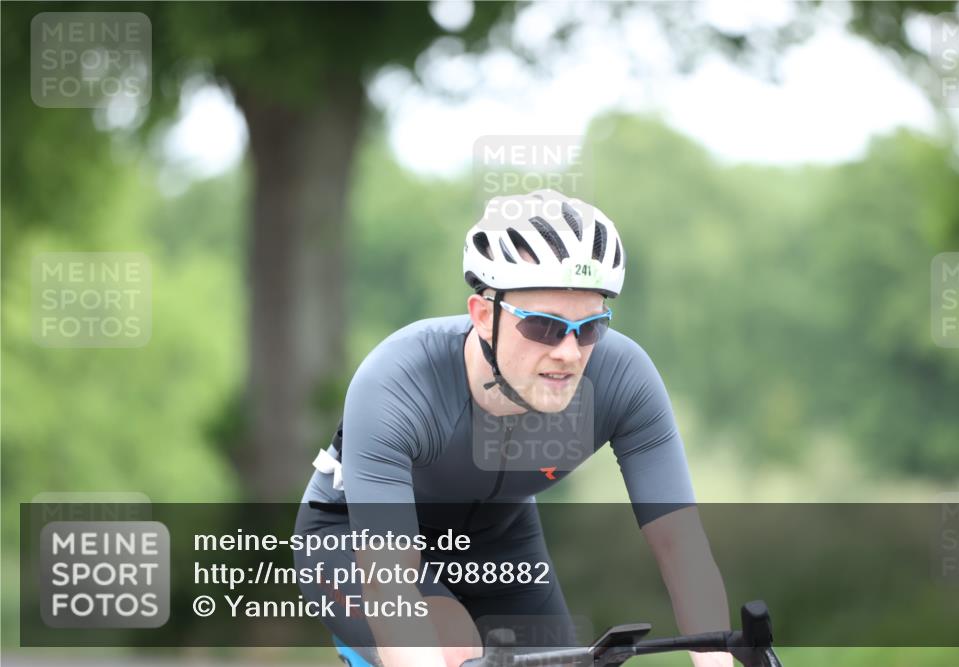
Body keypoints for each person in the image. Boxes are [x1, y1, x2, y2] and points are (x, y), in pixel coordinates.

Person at [296, 189, 733, 667]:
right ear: (484, 316)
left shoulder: (623, 379)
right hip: (351, 540)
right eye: (544, 326)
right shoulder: (396, 382)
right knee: (450, 647)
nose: (568, 352)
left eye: (589, 328)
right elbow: (391, 582)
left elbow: (682, 548)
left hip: (500, 540)